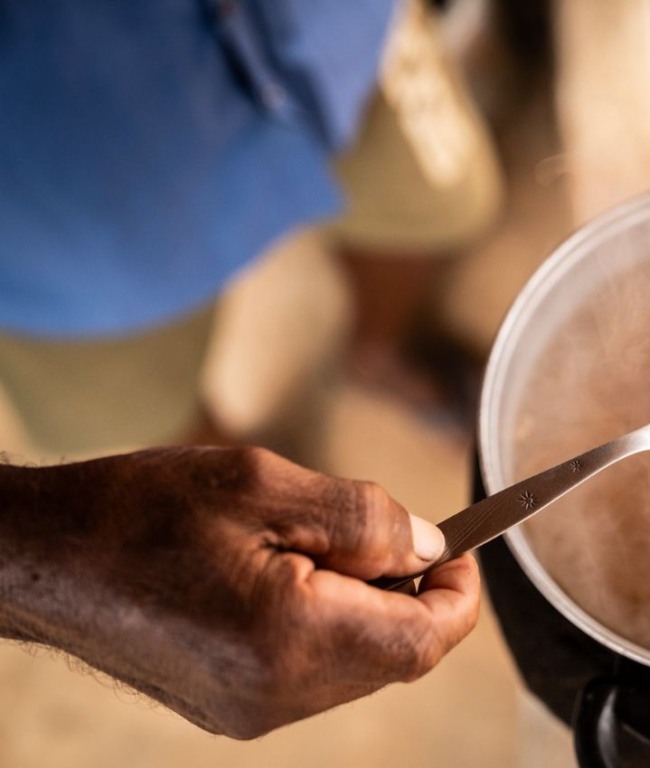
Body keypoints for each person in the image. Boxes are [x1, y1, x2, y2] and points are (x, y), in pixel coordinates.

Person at [0, 0, 496, 737]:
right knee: (148, 448)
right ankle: (245, 500)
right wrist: (34, 552)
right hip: (56, 215)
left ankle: (377, 350)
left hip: (335, 45)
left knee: (441, 206)